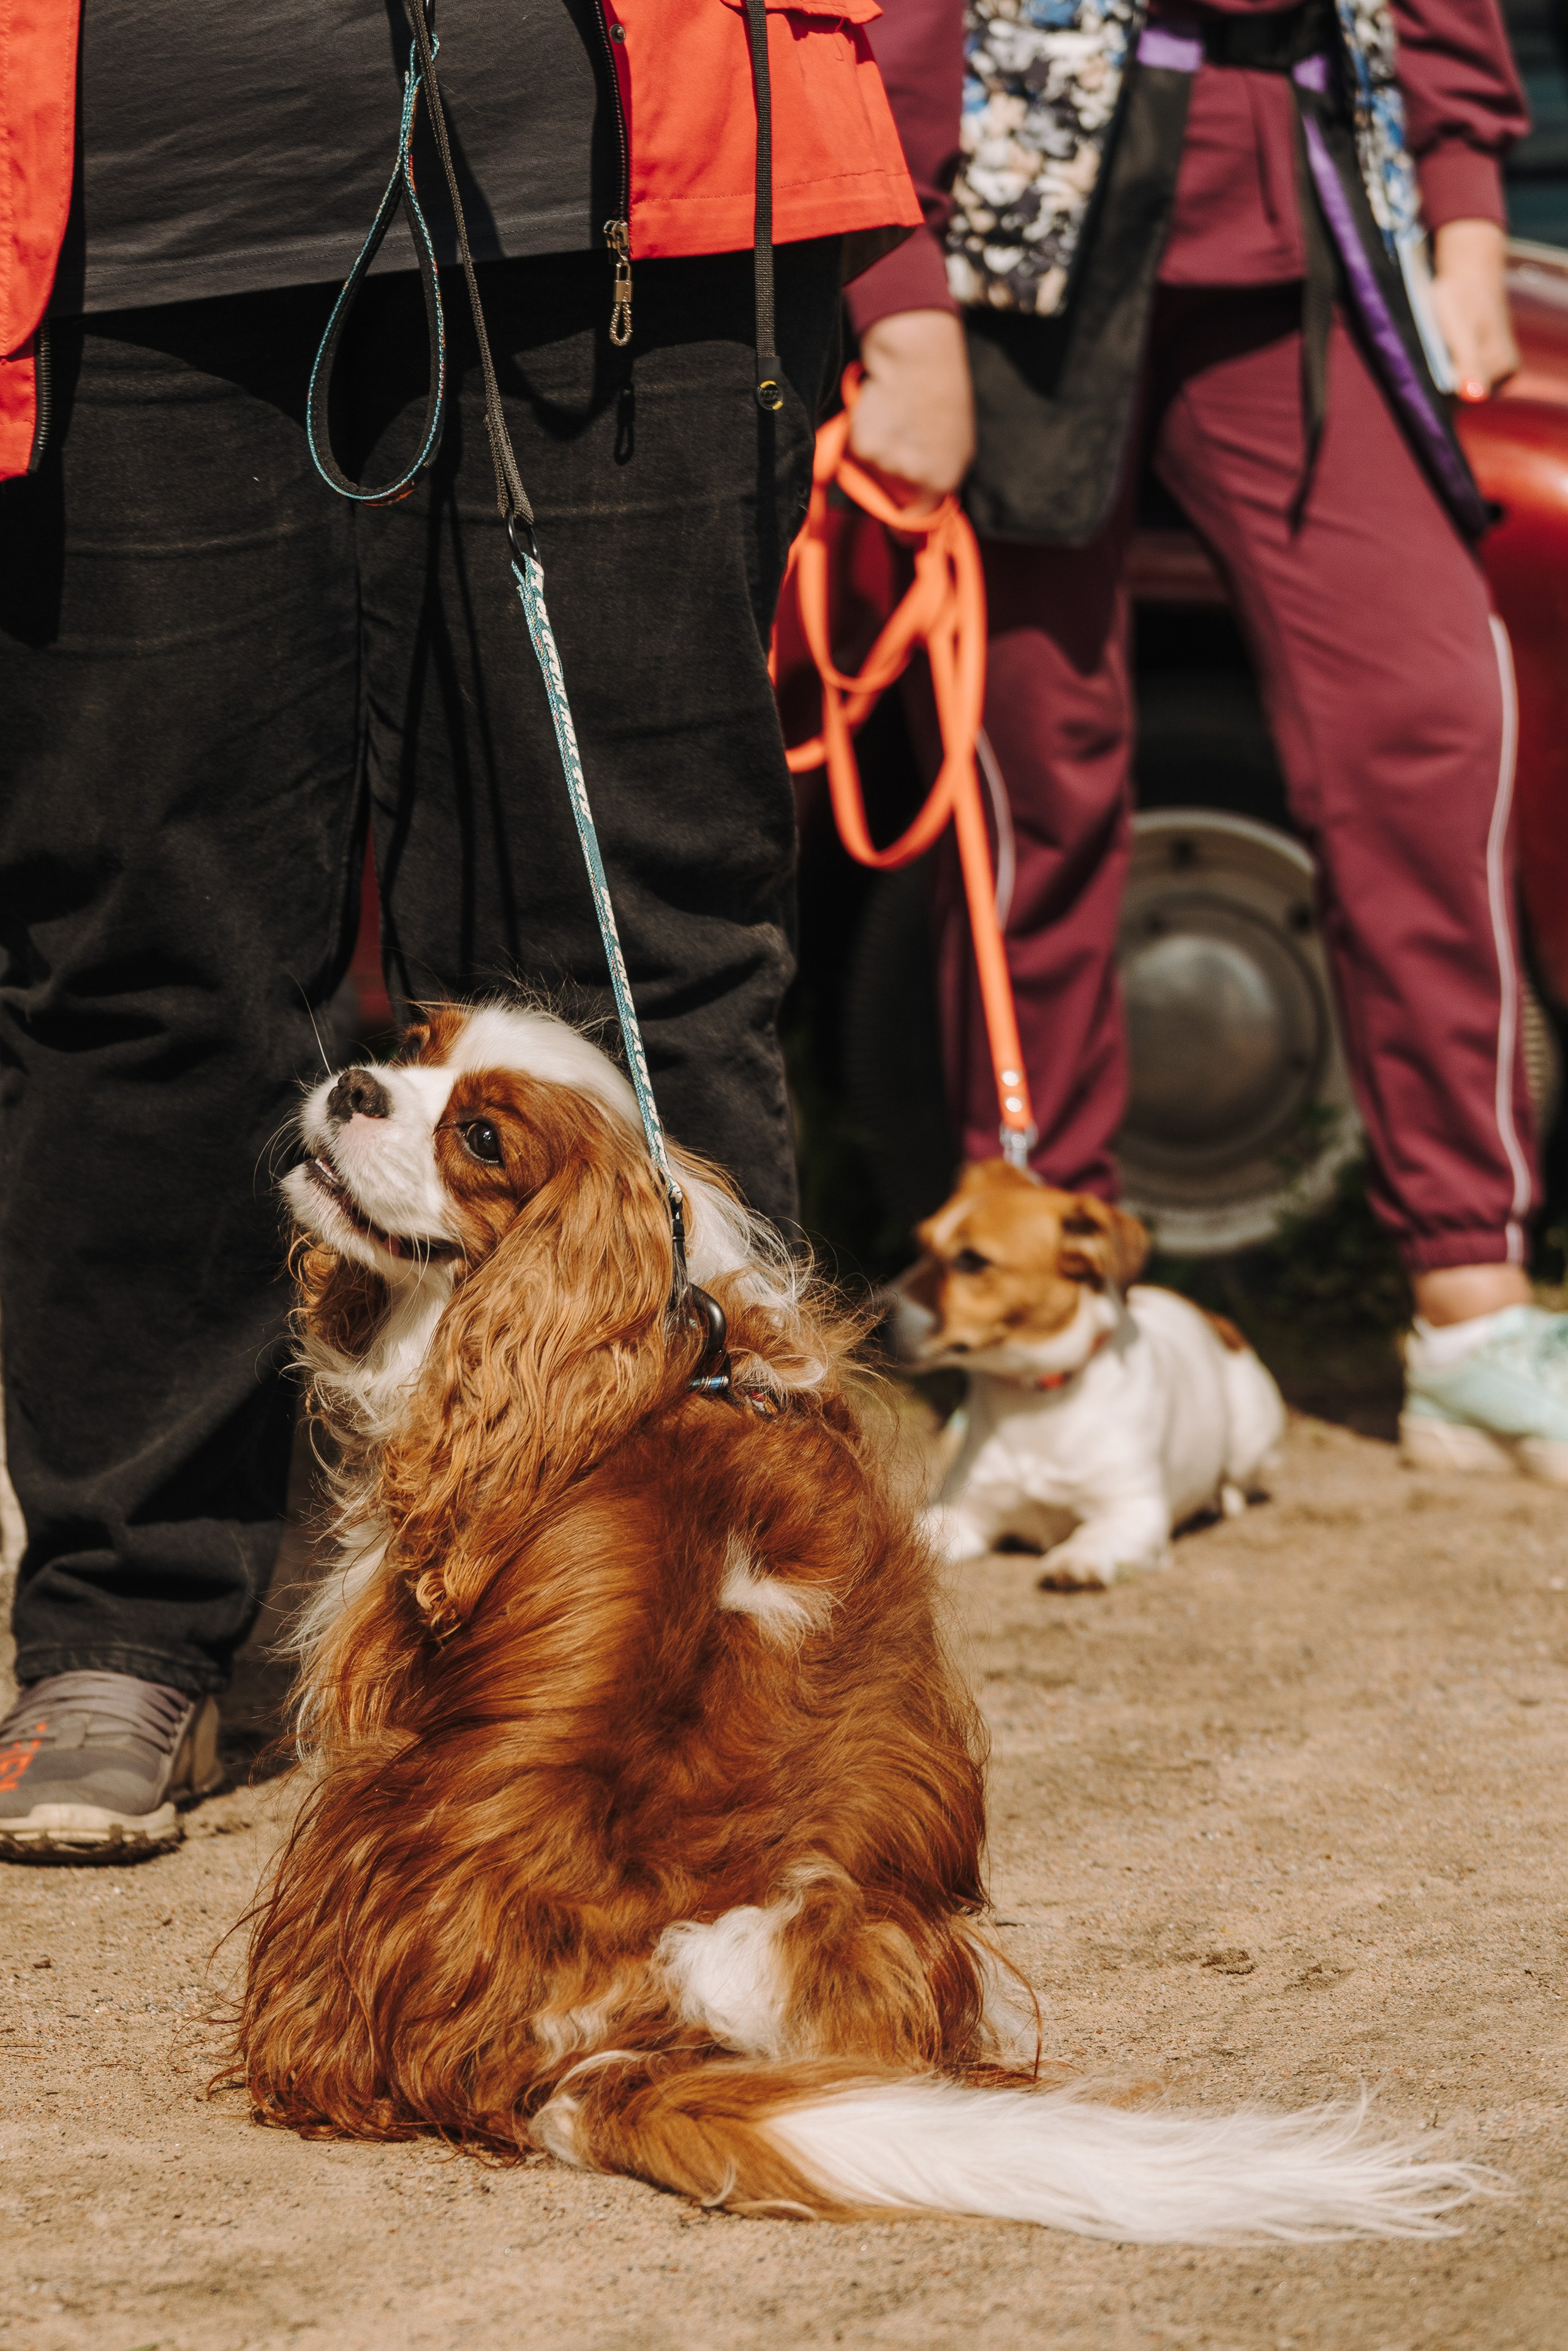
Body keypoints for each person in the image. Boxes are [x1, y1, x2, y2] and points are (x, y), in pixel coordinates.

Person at [0, 0, 921, 1858]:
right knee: (141, 954)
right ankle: (132, 1621)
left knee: (628, 949)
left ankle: (708, 1611)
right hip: (134, 219)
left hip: (614, 195)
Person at [847, 0, 1568, 1484]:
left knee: (1427, 714)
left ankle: (1471, 1305)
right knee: (1032, 769)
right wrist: (890, 274)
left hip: (1304, 190)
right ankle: (1037, 1314)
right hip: (1010, 215)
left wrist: (1462, 203)